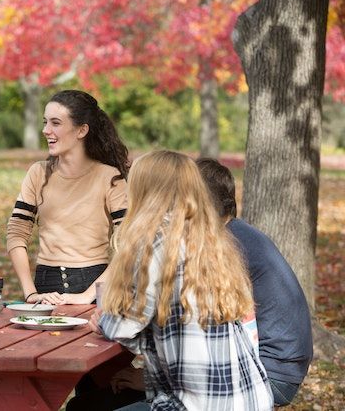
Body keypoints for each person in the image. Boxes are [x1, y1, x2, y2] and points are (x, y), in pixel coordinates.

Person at [92, 150, 273, 410]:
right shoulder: (209, 239)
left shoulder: (154, 241)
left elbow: (121, 326)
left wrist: (104, 319)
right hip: (251, 398)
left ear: (146, 192)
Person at [196, 157, 312, 406]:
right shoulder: (238, 233)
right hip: (284, 366)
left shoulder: (228, 246)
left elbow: (210, 326)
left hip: (273, 375)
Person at [7, 89, 130, 305]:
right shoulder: (38, 173)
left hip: (94, 286)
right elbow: (16, 233)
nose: (46, 130)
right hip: (45, 285)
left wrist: (86, 296)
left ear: (81, 130)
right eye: (45, 122)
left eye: (56, 123)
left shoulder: (111, 178)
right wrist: (30, 293)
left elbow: (130, 244)